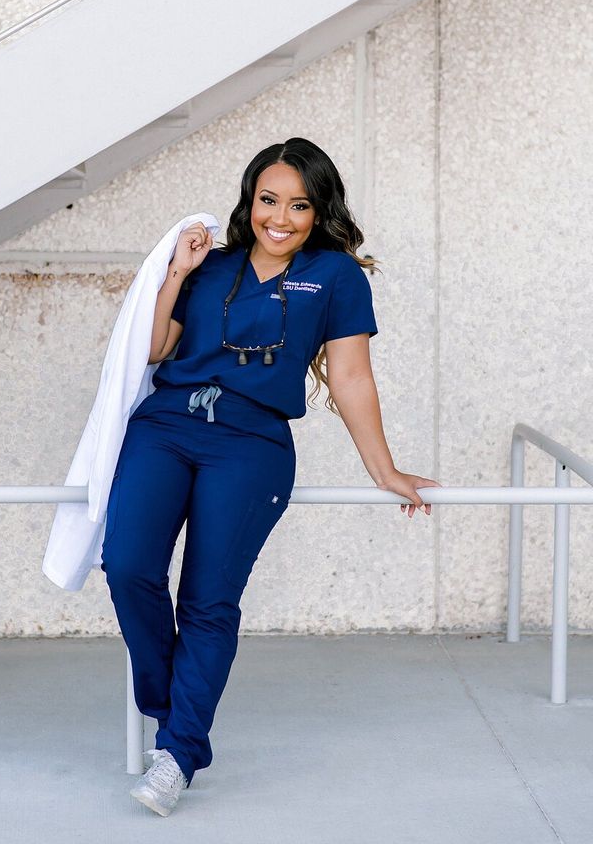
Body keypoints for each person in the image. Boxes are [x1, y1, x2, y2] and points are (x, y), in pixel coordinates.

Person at [100, 136, 441, 817]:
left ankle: (179, 752)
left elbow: (349, 376)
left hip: (251, 443)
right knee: (127, 566)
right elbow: (153, 350)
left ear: (319, 212)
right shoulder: (212, 264)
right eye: (267, 200)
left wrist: (383, 468)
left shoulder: (337, 276)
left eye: (298, 205)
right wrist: (175, 272)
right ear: (249, 200)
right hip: (165, 425)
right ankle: (173, 706)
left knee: (207, 600)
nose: (279, 217)